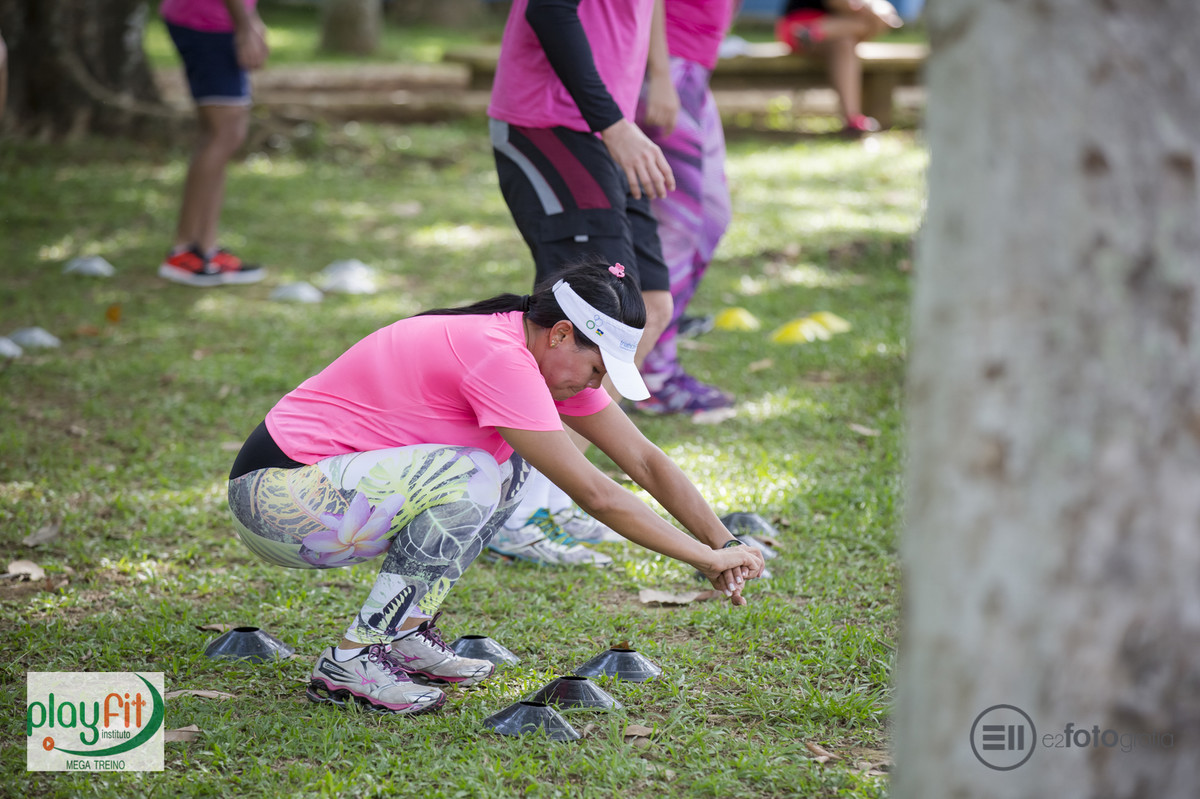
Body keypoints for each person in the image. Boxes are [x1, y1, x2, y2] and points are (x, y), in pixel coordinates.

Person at [227, 260, 766, 715]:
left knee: (510, 467)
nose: (595, 384)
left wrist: (723, 542)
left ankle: (405, 633)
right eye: (597, 368)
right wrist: (701, 557)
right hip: (274, 501)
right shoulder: (499, 356)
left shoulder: (539, 353)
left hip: (325, 501)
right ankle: (351, 660)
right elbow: (596, 494)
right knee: (475, 474)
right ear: (560, 334)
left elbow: (644, 460)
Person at [485, 0, 677, 563]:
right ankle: (514, 513)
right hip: (553, 124)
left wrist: (659, 76)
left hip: (610, 127)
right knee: (587, 328)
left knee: (649, 308)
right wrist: (613, 124)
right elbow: (548, 10)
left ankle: (550, 498)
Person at [634, 0, 737, 415]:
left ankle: (649, 360)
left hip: (693, 67)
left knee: (711, 217)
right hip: (666, 66)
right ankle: (652, 374)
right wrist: (660, 73)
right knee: (677, 228)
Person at [158, 0, 267, 287]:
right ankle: (183, 250)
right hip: (206, 21)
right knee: (224, 133)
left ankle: (205, 248)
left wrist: (251, 18)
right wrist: (244, 26)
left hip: (216, 19)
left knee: (224, 134)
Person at [775, 0, 903, 136]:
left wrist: (877, 8)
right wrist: (869, 8)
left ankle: (853, 120)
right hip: (797, 24)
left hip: (836, 33)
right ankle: (852, 118)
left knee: (846, 43)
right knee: (854, 35)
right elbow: (843, 4)